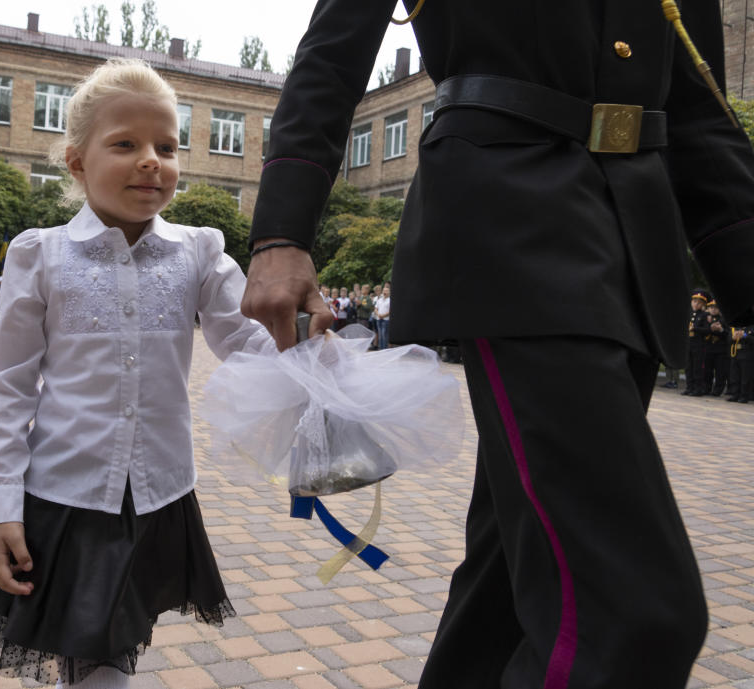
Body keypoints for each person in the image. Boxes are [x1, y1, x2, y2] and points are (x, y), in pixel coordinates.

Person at [240, 2, 754, 687]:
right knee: (629, 611)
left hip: (634, 253)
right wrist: (281, 230)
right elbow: (333, 53)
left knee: (510, 592)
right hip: (509, 226)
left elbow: (698, 114)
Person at [0, 57, 271, 689]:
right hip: (66, 495)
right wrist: (1, 507)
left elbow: (248, 339)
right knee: (93, 650)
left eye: (166, 145)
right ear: (76, 162)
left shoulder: (199, 252)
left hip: (157, 492)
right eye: (125, 144)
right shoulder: (40, 255)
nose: (151, 160)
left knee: (115, 640)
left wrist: (310, 356)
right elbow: (9, 386)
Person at [683, 290, 712, 396]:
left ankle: (698, 388)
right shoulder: (689, 313)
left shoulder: (704, 315)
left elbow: (707, 330)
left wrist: (695, 328)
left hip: (698, 345)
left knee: (697, 367)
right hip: (688, 344)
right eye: (694, 301)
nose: (696, 304)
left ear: (703, 304)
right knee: (688, 367)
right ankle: (689, 387)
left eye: (699, 302)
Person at [704, 299, 731, 395]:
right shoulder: (705, 319)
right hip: (708, 349)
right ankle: (706, 388)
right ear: (708, 308)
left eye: (716, 308)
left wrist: (720, 329)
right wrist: (709, 328)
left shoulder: (724, 320)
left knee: (720, 371)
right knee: (707, 371)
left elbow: (728, 334)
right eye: (711, 307)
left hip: (720, 350)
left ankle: (718, 389)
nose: (714, 310)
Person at [374, 284, 391, 349]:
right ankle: (380, 349)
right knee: (380, 335)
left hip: (386, 320)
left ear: (389, 292)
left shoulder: (390, 300)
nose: (385, 292)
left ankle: (384, 349)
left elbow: (390, 311)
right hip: (378, 319)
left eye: (386, 291)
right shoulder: (379, 300)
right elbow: (375, 309)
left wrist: (383, 316)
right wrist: (378, 314)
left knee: (385, 335)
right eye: (384, 291)